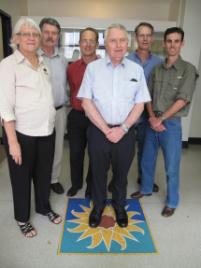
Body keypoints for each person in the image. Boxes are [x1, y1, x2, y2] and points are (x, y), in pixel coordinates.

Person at [78, 24, 151, 228]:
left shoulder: (137, 70)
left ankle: (120, 206)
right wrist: (105, 129)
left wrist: (123, 128)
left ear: (127, 44)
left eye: (122, 40)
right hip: (99, 131)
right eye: (113, 40)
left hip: (125, 132)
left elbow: (140, 103)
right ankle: (98, 206)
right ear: (105, 45)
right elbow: (86, 102)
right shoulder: (93, 69)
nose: (118, 45)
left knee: (121, 174)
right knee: (98, 172)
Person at [0, 17, 62, 238]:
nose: (31, 38)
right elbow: (4, 107)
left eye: (34, 34)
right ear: (16, 38)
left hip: (46, 131)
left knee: (44, 174)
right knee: (21, 178)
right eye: (25, 34)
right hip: (21, 134)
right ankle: (22, 218)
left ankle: (43, 207)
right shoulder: (8, 65)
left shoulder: (41, 62)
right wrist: (13, 142)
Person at [131, 27, 198, 217]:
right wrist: (152, 117)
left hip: (171, 124)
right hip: (152, 121)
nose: (172, 45)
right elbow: (147, 95)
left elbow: (182, 99)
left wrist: (160, 118)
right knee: (146, 159)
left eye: (176, 41)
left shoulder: (188, 69)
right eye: (169, 41)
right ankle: (145, 189)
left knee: (171, 166)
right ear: (164, 43)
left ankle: (171, 201)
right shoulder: (157, 69)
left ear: (182, 44)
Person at [128, 22, 162, 195]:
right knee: (121, 151)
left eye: (148, 35)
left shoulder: (158, 62)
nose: (145, 38)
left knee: (147, 151)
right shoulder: (126, 60)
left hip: (148, 116)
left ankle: (145, 179)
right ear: (136, 37)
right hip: (127, 115)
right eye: (142, 35)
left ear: (152, 37)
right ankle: (116, 179)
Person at [66, 27, 99, 198]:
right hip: (77, 117)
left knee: (95, 155)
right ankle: (76, 184)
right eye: (84, 40)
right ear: (79, 43)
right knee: (75, 154)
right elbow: (73, 90)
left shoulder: (104, 67)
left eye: (91, 40)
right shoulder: (71, 68)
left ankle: (90, 186)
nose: (87, 44)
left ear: (97, 44)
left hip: (97, 119)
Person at [38, 18, 68, 194]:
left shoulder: (63, 60)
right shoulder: (34, 57)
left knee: (57, 147)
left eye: (54, 33)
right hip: (39, 113)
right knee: (41, 149)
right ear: (40, 33)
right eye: (47, 32)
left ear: (58, 36)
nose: (50, 36)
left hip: (60, 111)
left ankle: (53, 179)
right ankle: (41, 180)